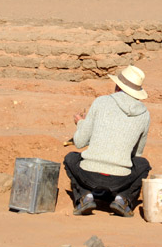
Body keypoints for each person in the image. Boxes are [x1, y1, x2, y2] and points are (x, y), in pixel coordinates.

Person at [63, 65, 151, 217]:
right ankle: (123, 199)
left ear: (117, 86)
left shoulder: (100, 102)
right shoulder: (145, 114)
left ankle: (85, 196)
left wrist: (80, 123)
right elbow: (137, 153)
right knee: (143, 165)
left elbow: (79, 142)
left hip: (88, 175)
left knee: (70, 158)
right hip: (120, 179)